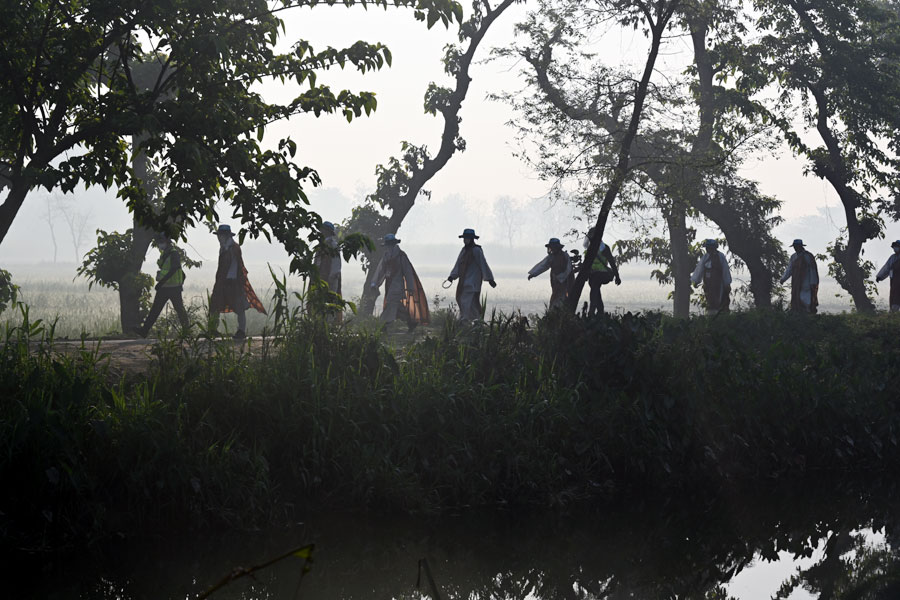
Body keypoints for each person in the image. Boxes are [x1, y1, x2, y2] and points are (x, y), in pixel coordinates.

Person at [210, 224, 266, 339]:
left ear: (226, 236)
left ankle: (241, 331)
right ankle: (213, 329)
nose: (219, 238)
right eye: (218, 236)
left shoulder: (234, 248)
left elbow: (236, 266)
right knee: (215, 304)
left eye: (220, 236)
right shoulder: (223, 248)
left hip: (233, 283)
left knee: (239, 308)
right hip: (223, 283)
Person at [369, 233, 430, 331]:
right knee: (397, 306)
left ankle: (384, 324)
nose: (388, 246)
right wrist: (374, 283)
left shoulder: (401, 256)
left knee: (390, 303)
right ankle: (411, 321)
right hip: (389, 285)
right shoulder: (386, 256)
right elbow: (380, 271)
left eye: (390, 244)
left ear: (393, 244)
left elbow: (408, 272)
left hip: (398, 285)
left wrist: (410, 287)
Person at [135, 236, 191, 337]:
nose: (159, 244)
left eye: (161, 242)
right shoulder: (166, 253)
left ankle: (187, 332)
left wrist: (161, 282)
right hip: (166, 287)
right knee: (156, 309)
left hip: (172, 288)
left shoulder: (173, 253)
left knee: (179, 309)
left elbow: (174, 269)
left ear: (167, 242)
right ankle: (144, 331)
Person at [448, 228, 496, 321]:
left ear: (472, 239)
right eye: (464, 238)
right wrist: (452, 276)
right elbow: (458, 264)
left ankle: (464, 321)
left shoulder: (476, 250)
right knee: (472, 305)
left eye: (467, 238)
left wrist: (490, 279)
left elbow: (483, 264)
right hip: (464, 282)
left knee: (465, 303)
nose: (465, 240)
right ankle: (477, 322)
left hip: (472, 283)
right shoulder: (464, 250)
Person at [584, 227, 621, 316]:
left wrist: (617, 276)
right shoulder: (589, 249)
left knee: (594, 289)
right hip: (593, 276)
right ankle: (600, 312)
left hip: (603, 274)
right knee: (596, 291)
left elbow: (612, 262)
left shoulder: (604, 248)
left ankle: (591, 312)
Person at [527, 238, 573, 310]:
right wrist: (533, 274)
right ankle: (554, 312)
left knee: (562, 295)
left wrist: (562, 277)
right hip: (555, 280)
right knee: (555, 295)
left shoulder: (565, 255)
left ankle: (559, 312)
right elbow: (543, 266)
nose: (551, 249)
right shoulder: (551, 257)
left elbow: (568, 268)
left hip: (564, 280)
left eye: (552, 247)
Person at [690, 239, 732, 313]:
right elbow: (699, 269)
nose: (707, 249)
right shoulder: (705, 257)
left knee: (720, 301)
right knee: (710, 300)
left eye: (709, 247)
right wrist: (696, 281)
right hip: (708, 285)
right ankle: (711, 317)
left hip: (719, 284)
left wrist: (727, 283)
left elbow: (725, 270)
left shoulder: (720, 256)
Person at [313, 221, 343, 321]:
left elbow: (336, 265)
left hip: (329, 279)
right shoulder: (321, 245)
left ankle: (329, 325)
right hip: (321, 278)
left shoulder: (333, 245)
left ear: (327, 231)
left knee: (329, 303)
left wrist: (330, 278)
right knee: (320, 303)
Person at [780, 238, 819, 313]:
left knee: (806, 298)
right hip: (796, 282)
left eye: (796, 246)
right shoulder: (793, 257)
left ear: (800, 246)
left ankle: (808, 313)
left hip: (807, 282)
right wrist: (783, 279)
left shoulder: (808, 256)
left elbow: (812, 270)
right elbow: (789, 269)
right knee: (797, 297)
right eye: (794, 246)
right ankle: (799, 314)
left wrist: (813, 282)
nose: (795, 248)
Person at [875, 239, 900, 312]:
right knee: (894, 295)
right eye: (894, 247)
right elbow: (887, 267)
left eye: (897, 247)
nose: (895, 248)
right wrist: (879, 276)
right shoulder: (892, 257)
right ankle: (893, 311)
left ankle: (894, 311)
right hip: (894, 280)